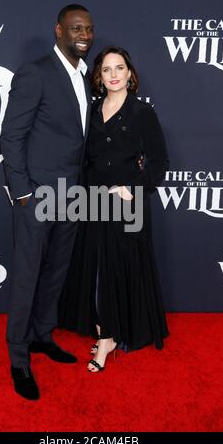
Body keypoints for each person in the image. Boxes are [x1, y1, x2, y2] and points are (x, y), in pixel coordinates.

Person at [0, 4, 94, 399]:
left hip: (72, 194)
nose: (83, 34)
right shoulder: (35, 73)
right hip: (36, 195)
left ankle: (42, 335)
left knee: (56, 271)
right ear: (59, 31)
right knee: (26, 276)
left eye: (88, 28)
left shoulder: (85, 77)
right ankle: (19, 358)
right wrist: (22, 192)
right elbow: (11, 137)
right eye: (75, 28)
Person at [59, 46, 169, 372]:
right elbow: (83, 158)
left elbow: (160, 161)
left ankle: (107, 339)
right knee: (94, 267)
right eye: (106, 70)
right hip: (92, 202)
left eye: (119, 67)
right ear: (99, 77)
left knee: (117, 268)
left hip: (126, 205)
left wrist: (132, 188)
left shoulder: (141, 113)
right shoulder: (91, 111)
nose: (114, 74)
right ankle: (102, 328)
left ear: (130, 73)